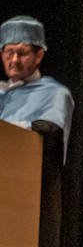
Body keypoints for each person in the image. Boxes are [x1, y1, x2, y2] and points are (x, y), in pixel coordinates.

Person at [1, 16, 75, 157]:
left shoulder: (54, 93)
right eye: (9, 53)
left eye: (22, 53)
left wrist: (8, 129)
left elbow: (50, 130)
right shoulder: (1, 92)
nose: (14, 60)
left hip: (33, 174)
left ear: (39, 55)